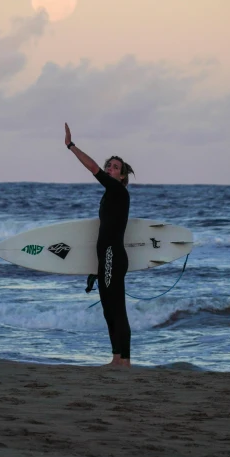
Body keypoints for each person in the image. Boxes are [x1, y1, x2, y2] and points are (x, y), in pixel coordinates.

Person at [64, 123, 135, 368]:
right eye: (110, 165)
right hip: (107, 258)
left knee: (116, 308)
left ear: (121, 176)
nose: (110, 169)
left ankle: (124, 360)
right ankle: (117, 357)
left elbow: (93, 167)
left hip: (113, 257)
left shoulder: (117, 191)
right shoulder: (110, 195)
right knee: (108, 309)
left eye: (115, 167)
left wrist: (71, 146)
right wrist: (97, 266)